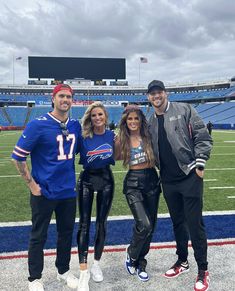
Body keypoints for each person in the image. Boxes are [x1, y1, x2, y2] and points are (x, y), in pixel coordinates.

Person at [12, 84, 81, 291]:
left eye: (68, 96)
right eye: (61, 96)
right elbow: (18, 157)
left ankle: (63, 271)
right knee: (38, 235)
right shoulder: (38, 124)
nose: (65, 100)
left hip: (68, 191)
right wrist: (32, 185)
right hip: (44, 191)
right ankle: (34, 278)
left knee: (66, 234)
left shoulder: (75, 125)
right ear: (53, 98)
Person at [147, 80, 213, 291]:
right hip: (168, 179)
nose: (156, 96)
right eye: (152, 94)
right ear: (148, 97)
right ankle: (182, 261)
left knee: (195, 224)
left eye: (159, 92)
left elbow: (202, 136)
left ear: (165, 93)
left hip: (189, 175)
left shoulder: (184, 109)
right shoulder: (150, 120)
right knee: (178, 223)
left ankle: (203, 269)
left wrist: (200, 164)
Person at [115, 105, 161, 282]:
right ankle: (132, 254)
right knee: (145, 224)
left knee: (151, 226)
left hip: (152, 179)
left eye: (136, 118)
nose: (133, 122)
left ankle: (141, 263)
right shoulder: (120, 139)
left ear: (141, 120)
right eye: (130, 119)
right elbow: (113, 157)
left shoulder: (149, 136)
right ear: (125, 121)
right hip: (133, 182)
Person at [76, 101, 115, 291]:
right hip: (87, 179)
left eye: (100, 114)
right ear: (89, 118)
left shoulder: (113, 136)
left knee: (101, 222)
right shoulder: (83, 137)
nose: (97, 118)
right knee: (84, 223)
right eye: (93, 115)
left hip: (106, 179)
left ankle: (96, 264)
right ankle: (83, 271)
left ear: (105, 116)